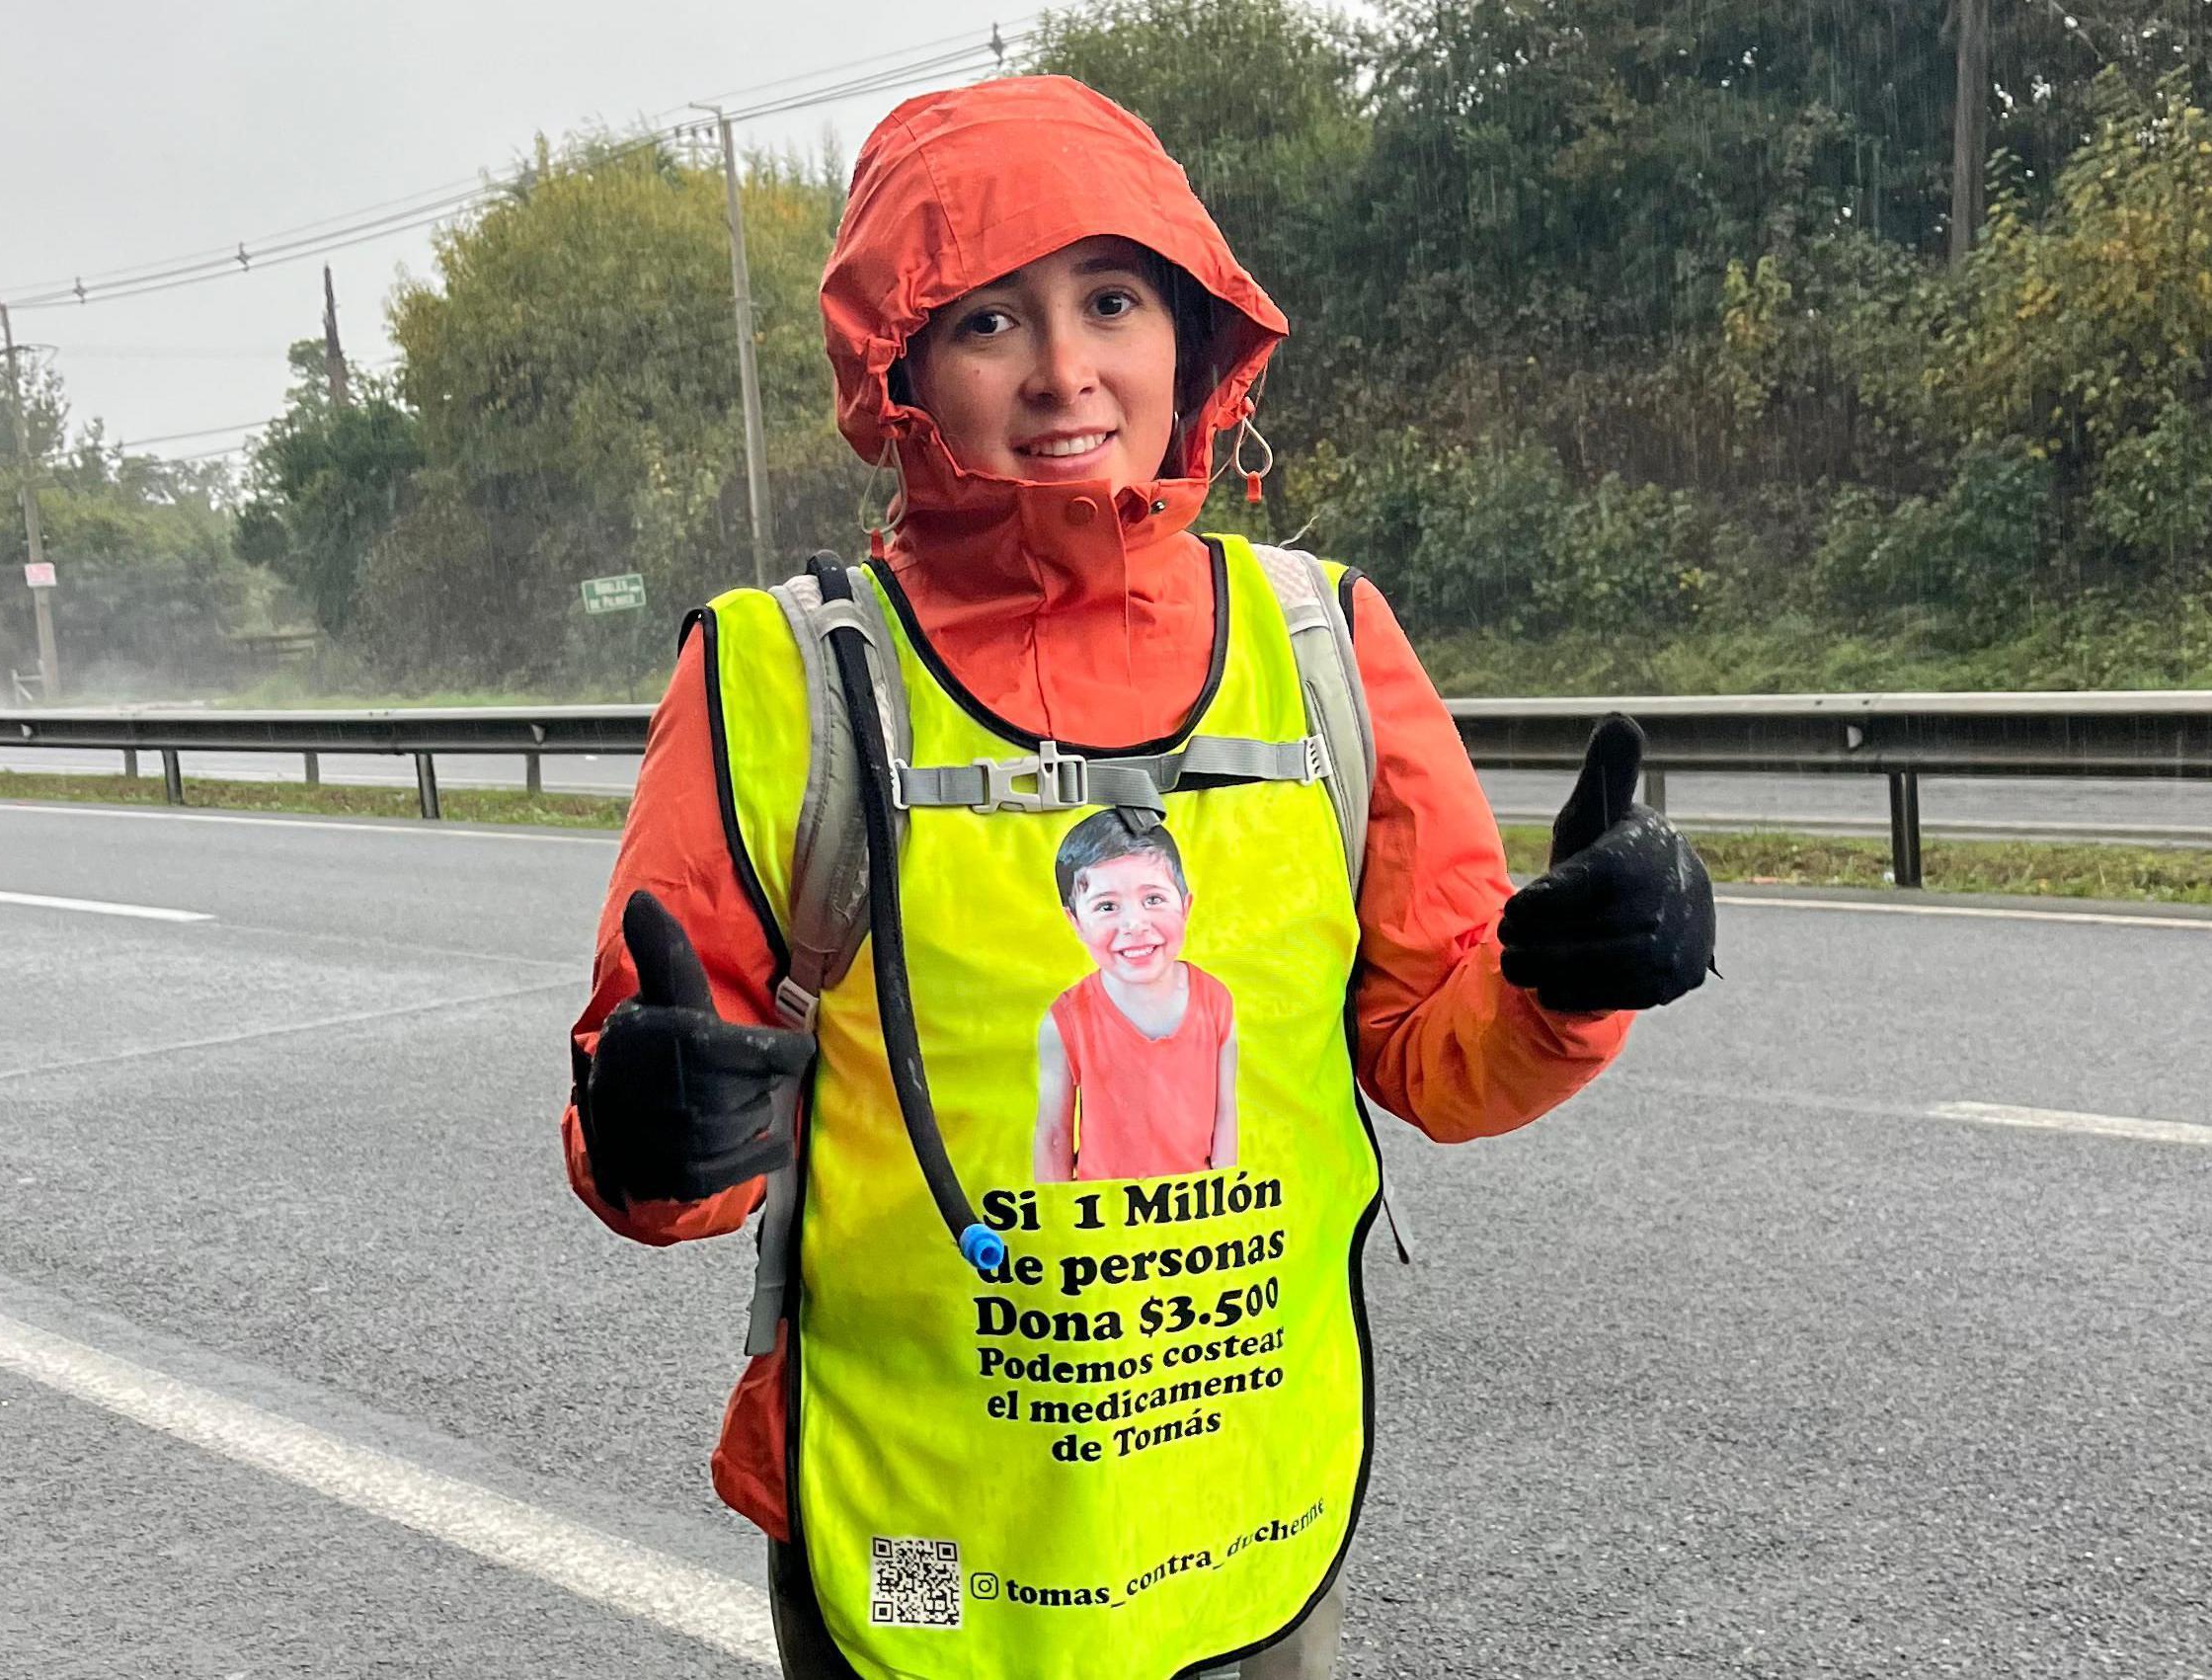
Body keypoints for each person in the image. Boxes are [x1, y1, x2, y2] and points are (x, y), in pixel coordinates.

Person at [563, 75, 1714, 1680]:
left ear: (1186, 330)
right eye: (985, 318)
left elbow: (1430, 1057)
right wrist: (647, 1131)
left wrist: (1562, 986)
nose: (1063, 370)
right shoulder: (779, 681)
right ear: (898, 363)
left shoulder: (1323, 645)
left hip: (1233, 1542)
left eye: (1108, 298)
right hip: (926, 1536)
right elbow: (673, 1134)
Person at [1035, 811, 1239, 1183]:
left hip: (1198, 1212)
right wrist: (1057, 1224)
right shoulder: (1065, 1019)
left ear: (1186, 906)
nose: (1134, 924)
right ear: (1075, 922)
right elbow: (1053, 1135)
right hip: (1104, 1218)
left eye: (1154, 899)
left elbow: (1226, 1112)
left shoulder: (1215, 1000)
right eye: (1107, 906)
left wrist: (1225, 1199)